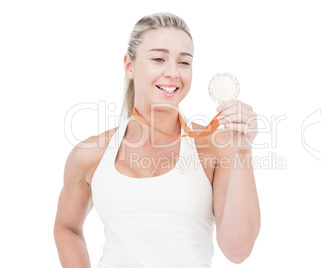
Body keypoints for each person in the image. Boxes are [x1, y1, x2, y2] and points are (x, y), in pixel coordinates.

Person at [54, 12, 260, 268]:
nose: (172, 72)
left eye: (184, 62)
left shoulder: (213, 147)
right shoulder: (90, 154)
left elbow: (237, 251)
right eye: (159, 59)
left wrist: (242, 152)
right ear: (130, 66)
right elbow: (67, 228)